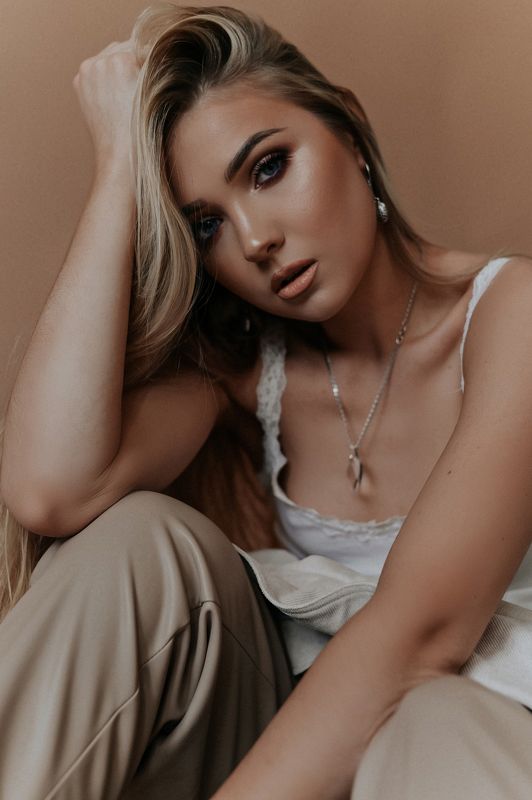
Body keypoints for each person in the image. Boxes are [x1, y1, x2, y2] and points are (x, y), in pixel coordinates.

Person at [1, 3, 532, 798]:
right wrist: (117, 171)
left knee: (431, 716)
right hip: (289, 747)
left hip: (470, 748)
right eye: (206, 224)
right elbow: (51, 488)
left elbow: (421, 638)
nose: (254, 240)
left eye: (269, 168)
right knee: (139, 539)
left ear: (349, 130)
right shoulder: (249, 371)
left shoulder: (512, 312)